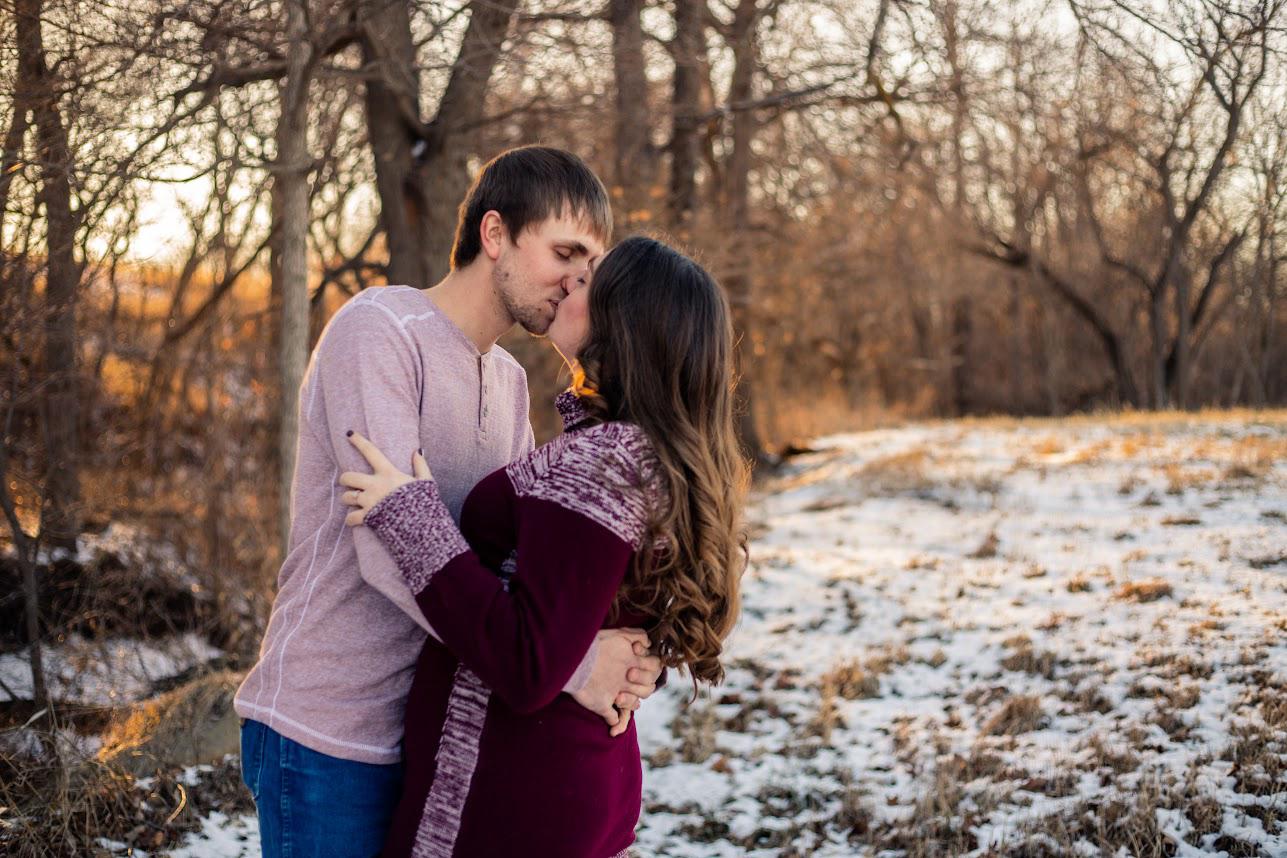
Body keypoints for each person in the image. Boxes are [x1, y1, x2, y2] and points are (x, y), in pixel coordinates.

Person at [234, 147, 665, 858]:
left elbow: (503, 569)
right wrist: (567, 665)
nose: (576, 281)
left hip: (429, 731)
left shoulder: (508, 382)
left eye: (589, 264)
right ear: (495, 234)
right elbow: (386, 547)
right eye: (564, 253)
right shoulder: (379, 330)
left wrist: (606, 647)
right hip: (330, 731)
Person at [339, 235, 748, 857]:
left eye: (588, 281)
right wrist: (636, 662)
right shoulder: (653, 458)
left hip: (511, 797)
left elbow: (530, 666)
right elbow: (599, 610)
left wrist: (412, 517)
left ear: (623, 325)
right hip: (570, 779)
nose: (568, 282)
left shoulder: (603, 464)